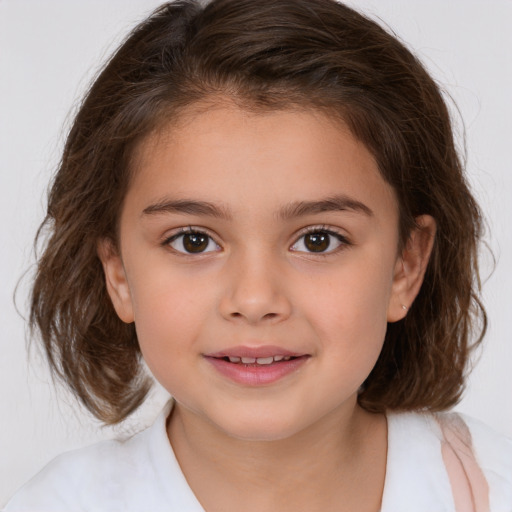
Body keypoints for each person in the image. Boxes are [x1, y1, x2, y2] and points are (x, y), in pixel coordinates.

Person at [4, 0, 511, 510]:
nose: (254, 299)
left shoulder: (491, 486)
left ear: (406, 266)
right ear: (118, 274)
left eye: (318, 240)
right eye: (193, 240)